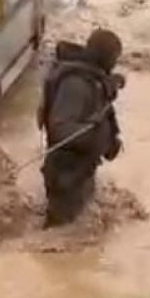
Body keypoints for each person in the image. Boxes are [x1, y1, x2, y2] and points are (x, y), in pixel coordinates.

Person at [37, 29, 125, 227]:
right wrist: (97, 136)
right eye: (114, 59)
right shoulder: (75, 85)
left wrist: (109, 142)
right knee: (59, 234)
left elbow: (100, 101)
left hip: (81, 170)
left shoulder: (93, 79)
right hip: (65, 176)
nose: (114, 64)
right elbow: (60, 129)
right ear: (104, 57)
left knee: (83, 225)